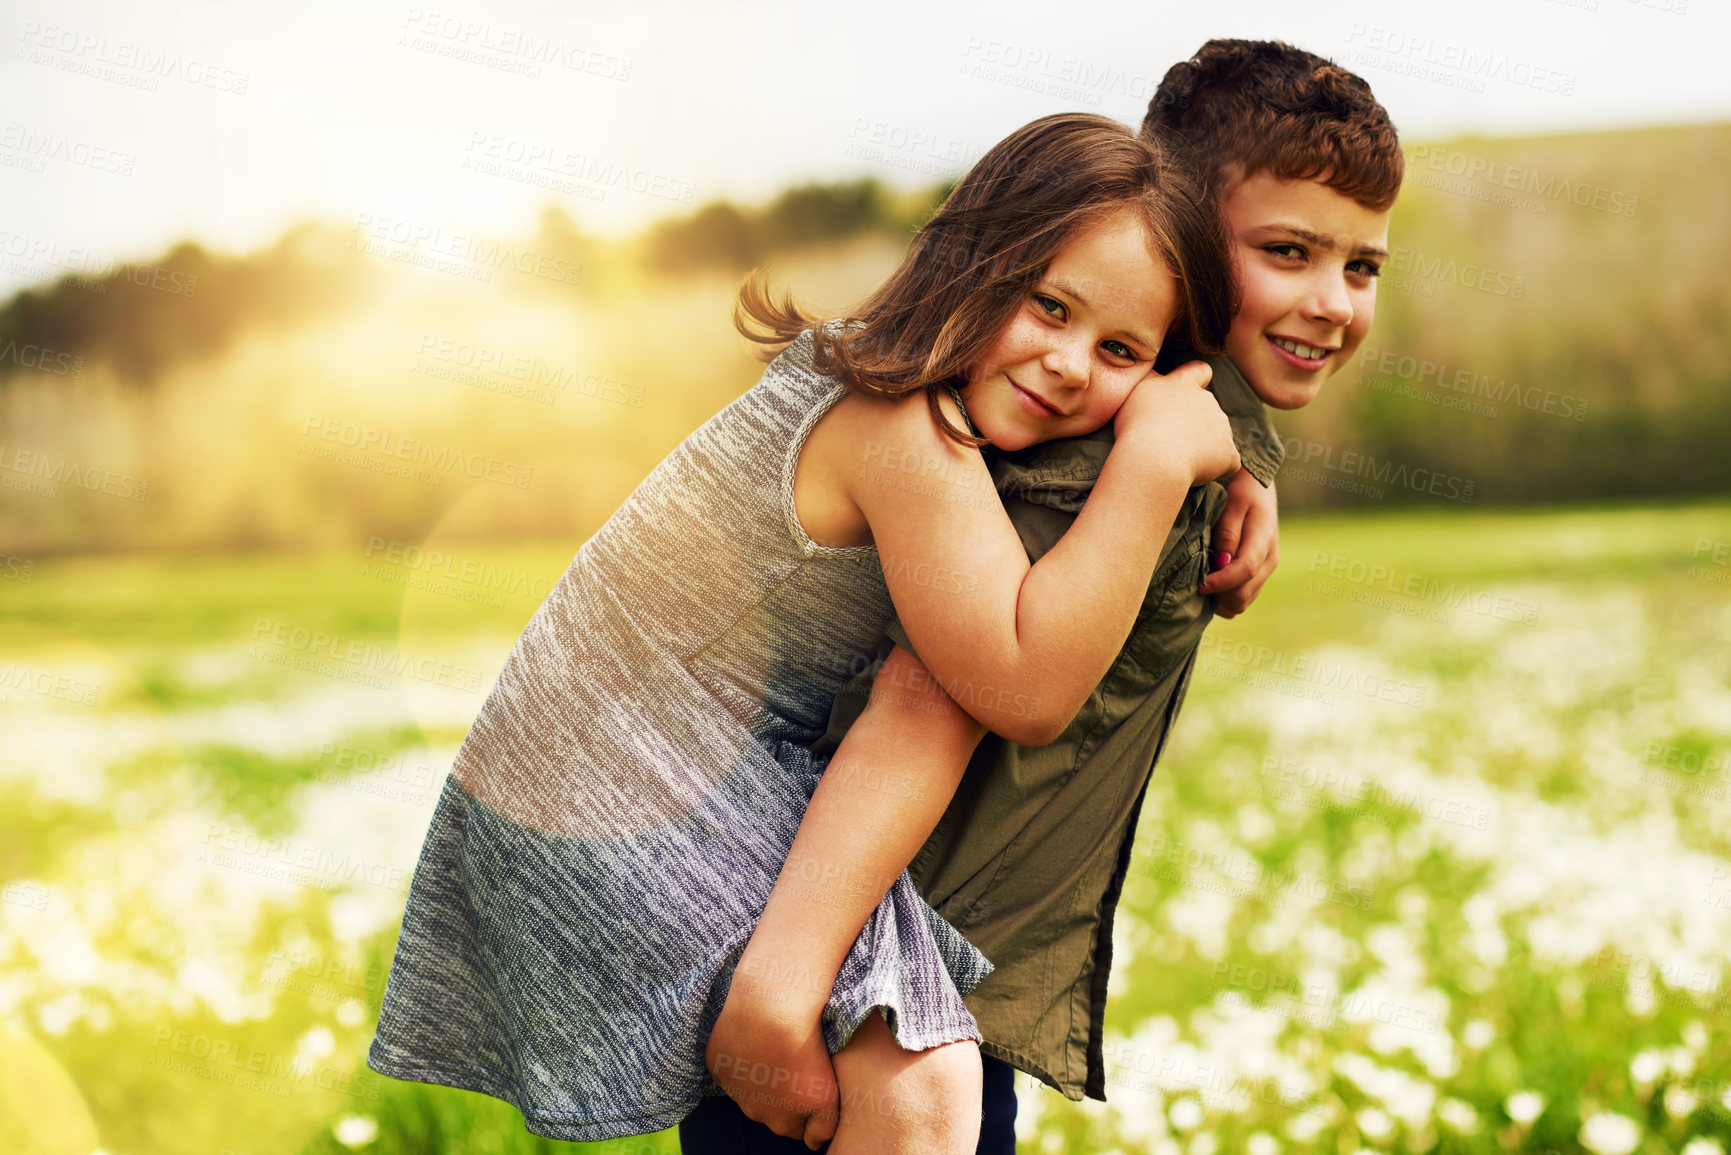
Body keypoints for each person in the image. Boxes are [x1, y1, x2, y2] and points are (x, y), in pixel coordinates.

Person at [365, 111, 1244, 1152]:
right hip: (634, 777)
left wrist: (1242, 463)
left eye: (1120, 352)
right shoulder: (902, 429)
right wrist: (1151, 465)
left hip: (589, 772)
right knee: (912, 1077)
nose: (1065, 363)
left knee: (904, 1077)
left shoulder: (876, 387)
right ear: (972, 263)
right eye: (1048, 305)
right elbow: (1024, 685)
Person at [690, 38, 1405, 1152]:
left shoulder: (1160, 410)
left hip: (946, 998)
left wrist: (1249, 466)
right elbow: (925, 701)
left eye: (1361, 268)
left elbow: (1201, 387)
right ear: (1174, 227)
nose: (1332, 302)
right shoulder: (1085, 457)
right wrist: (793, 991)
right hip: (871, 1010)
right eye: (1288, 252)